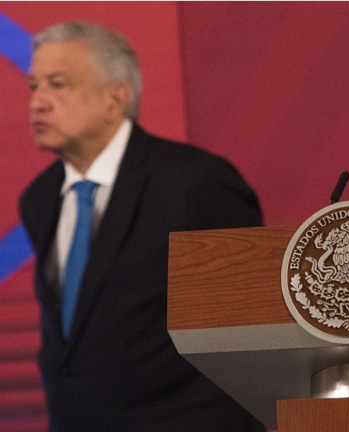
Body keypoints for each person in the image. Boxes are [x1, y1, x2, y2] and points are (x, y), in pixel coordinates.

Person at [19, 22, 266, 431]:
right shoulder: (39, 199)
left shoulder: (195, 183)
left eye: (57, 85)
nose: (37, 103)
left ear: (115, 97)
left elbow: (243, 340)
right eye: (33, 86)